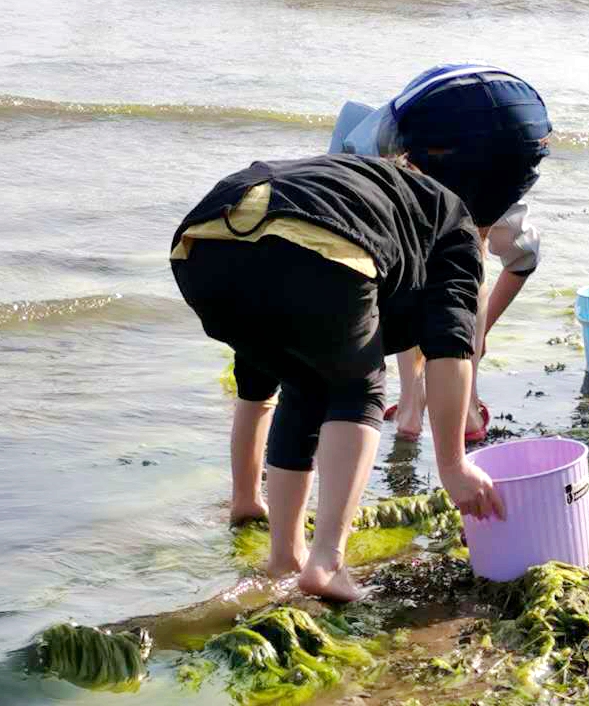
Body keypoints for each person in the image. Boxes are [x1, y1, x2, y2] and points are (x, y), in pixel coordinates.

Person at [170, 154, 509, 602]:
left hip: (202, 246)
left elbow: (255, 386)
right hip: (318, 243)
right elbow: (451, 344)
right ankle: (327, 562)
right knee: (358, 386)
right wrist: (453, 464)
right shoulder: (452, 220)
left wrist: (245, 500)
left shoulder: (353, 186)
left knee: (304, 379)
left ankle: (285, 557)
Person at [329, 65, 551, 443]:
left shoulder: (364, 155)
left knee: (411, 260)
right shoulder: (483, 176)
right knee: (469, 249)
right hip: (529, 119)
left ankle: (412, 408)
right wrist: (469, 339)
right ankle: (463, 408)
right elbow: (525, 258)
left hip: (480, 120)